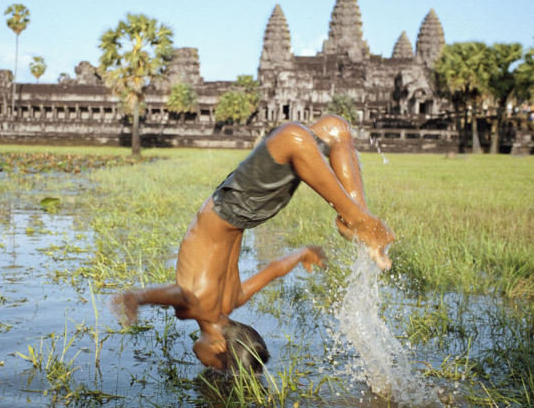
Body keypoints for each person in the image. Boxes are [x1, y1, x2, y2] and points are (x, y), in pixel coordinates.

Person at [111, 114, 395, 374]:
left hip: (254, 213)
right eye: (214, 366)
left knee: (336, 129)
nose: (207, 366)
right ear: (219, 346)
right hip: (236, 205)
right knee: (293, 136)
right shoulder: (196, 308)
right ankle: (358, 220)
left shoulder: (234, 300)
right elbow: (181, 295)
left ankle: (359, 222)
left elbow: (274, 269)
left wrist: (302, 253)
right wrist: (136, 297)